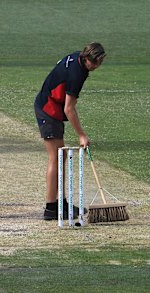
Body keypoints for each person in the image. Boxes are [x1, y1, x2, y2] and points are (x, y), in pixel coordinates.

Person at [34, 42, 106, 220]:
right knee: (56, 157)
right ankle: (51, 208)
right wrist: (81, 134)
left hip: (52, 108)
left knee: (61, 157)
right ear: (93, 60)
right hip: (48, 109)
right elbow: (69, 109)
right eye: (98, 62)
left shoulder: (78, 58)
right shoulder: (77, 73)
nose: (98, 66)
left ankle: (61, 202)